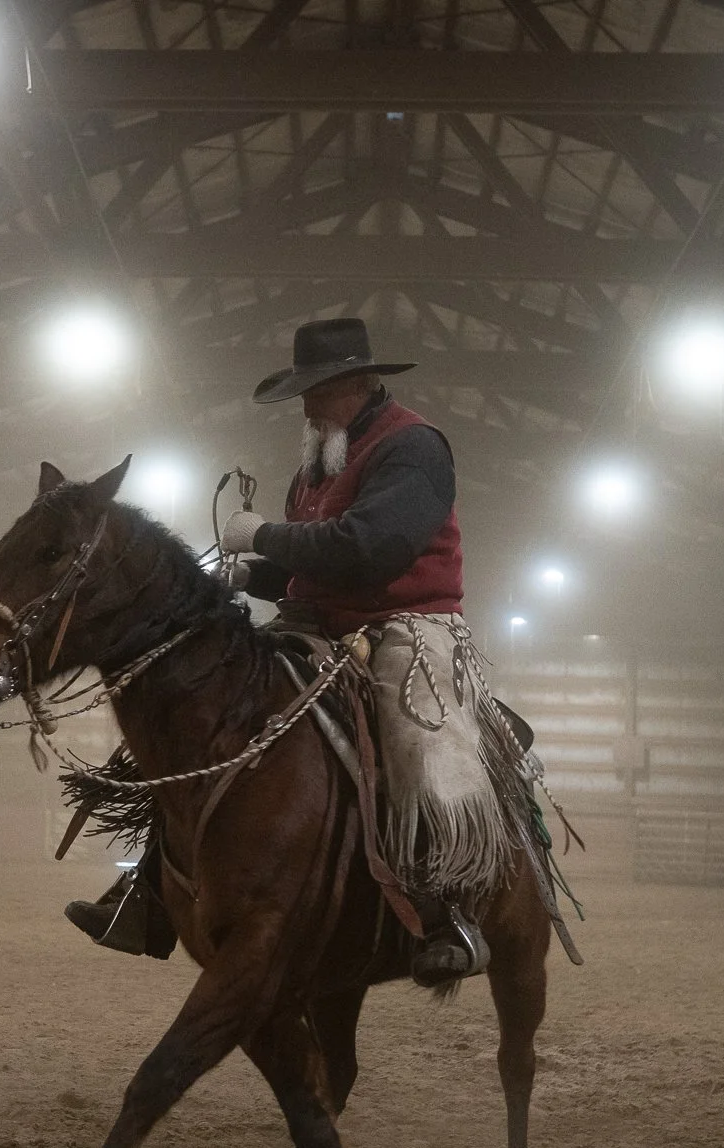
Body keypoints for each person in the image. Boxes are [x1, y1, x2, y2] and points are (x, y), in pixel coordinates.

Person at [66, 317, 515, 987]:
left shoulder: (414, 448)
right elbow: (314, 566)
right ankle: (154, 889)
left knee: (419, 740)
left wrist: (265, 536)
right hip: (314, 621)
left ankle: (446, 904)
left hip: (406, 627)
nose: (307, 405)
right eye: (304, 392)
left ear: (360, 384)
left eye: (320, 390)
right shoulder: (317, 464)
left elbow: (372, 549)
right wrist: (252, 577)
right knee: (200, 709)